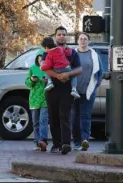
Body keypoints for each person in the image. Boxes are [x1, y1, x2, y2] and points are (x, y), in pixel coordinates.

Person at [41, 26, 82, 155]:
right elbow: (43, 67)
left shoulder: (72, 52)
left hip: (67, 88)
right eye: (59, 34)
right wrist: (57, 75)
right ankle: (56, 145)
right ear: (55, 36)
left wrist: (68, 75)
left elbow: (79, 69)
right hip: (51, 88)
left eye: (64, 34)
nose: (61, 36)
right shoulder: (47, 51)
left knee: (64, 116)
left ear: (66, 36)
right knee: (53, 117)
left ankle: (65, 144)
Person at [71, 33, 103, 151]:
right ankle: (76, 142)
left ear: (88, 41)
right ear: (78, 41)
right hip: (74, 91)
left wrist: (96, 85)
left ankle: (85, 140)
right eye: (81, 39)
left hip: (88, 91)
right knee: (74, 117)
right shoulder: (73, 53)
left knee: (85, 116)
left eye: (85, 39)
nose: (83, 41)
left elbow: (100, 72)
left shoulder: (94, 54)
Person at [25, 49, 49, 152]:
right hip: (34, 99)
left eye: (43, 58)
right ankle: (37, 141)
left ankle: (43, 141)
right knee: (35, 122)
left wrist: (46, 81)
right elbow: (27, 83)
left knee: (44, 120)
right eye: (39, 58)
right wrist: (32, 80)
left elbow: (53, 83)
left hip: (45, 98)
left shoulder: (49, 68)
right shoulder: (32, 68)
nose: (41, 60)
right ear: (37, 58)